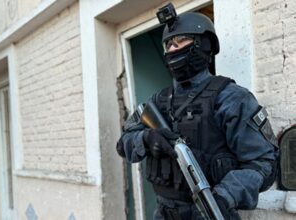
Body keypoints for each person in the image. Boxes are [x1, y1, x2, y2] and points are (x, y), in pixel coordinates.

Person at [116, 4, 278, 220]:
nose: (173, 49)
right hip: (163, 214)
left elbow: (264, 163)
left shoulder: (231, 98)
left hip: (210, 213)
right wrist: (145, 138)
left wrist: (223, 197)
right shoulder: (157, 101)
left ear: (204, 45)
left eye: (180, 41)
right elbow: (123, 144)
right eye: (168, 45)